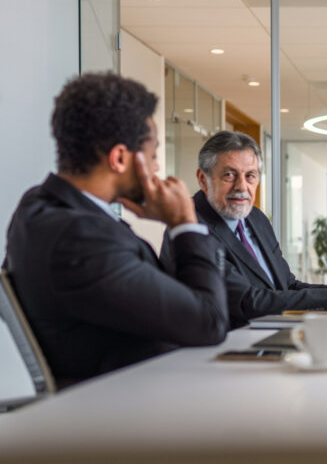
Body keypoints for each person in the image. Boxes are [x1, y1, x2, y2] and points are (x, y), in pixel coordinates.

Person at [3, 73, 229, 387]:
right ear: (120, 158)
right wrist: (185, 224)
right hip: (126, 409)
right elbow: (208, 323)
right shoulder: (80, 238)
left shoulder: (40, 207)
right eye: (152, 156)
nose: (156, 170)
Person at [160, 131, 327, 329]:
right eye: (229, 175)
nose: (241, 187)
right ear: (203, 179)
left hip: (269, 337)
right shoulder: (188, 227)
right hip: (217, 351)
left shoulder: (256, 218)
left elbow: (286, 285)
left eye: (250, 176)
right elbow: (247, 301)